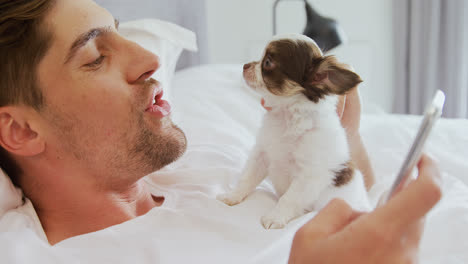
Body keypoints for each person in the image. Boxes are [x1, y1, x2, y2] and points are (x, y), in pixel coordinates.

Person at [0, 0, 441, 263]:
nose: (150, 58)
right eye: (96, 55)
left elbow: (341, 185)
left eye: (122, 35)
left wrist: (349, 135)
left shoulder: (206, 157)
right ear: (20, 130)